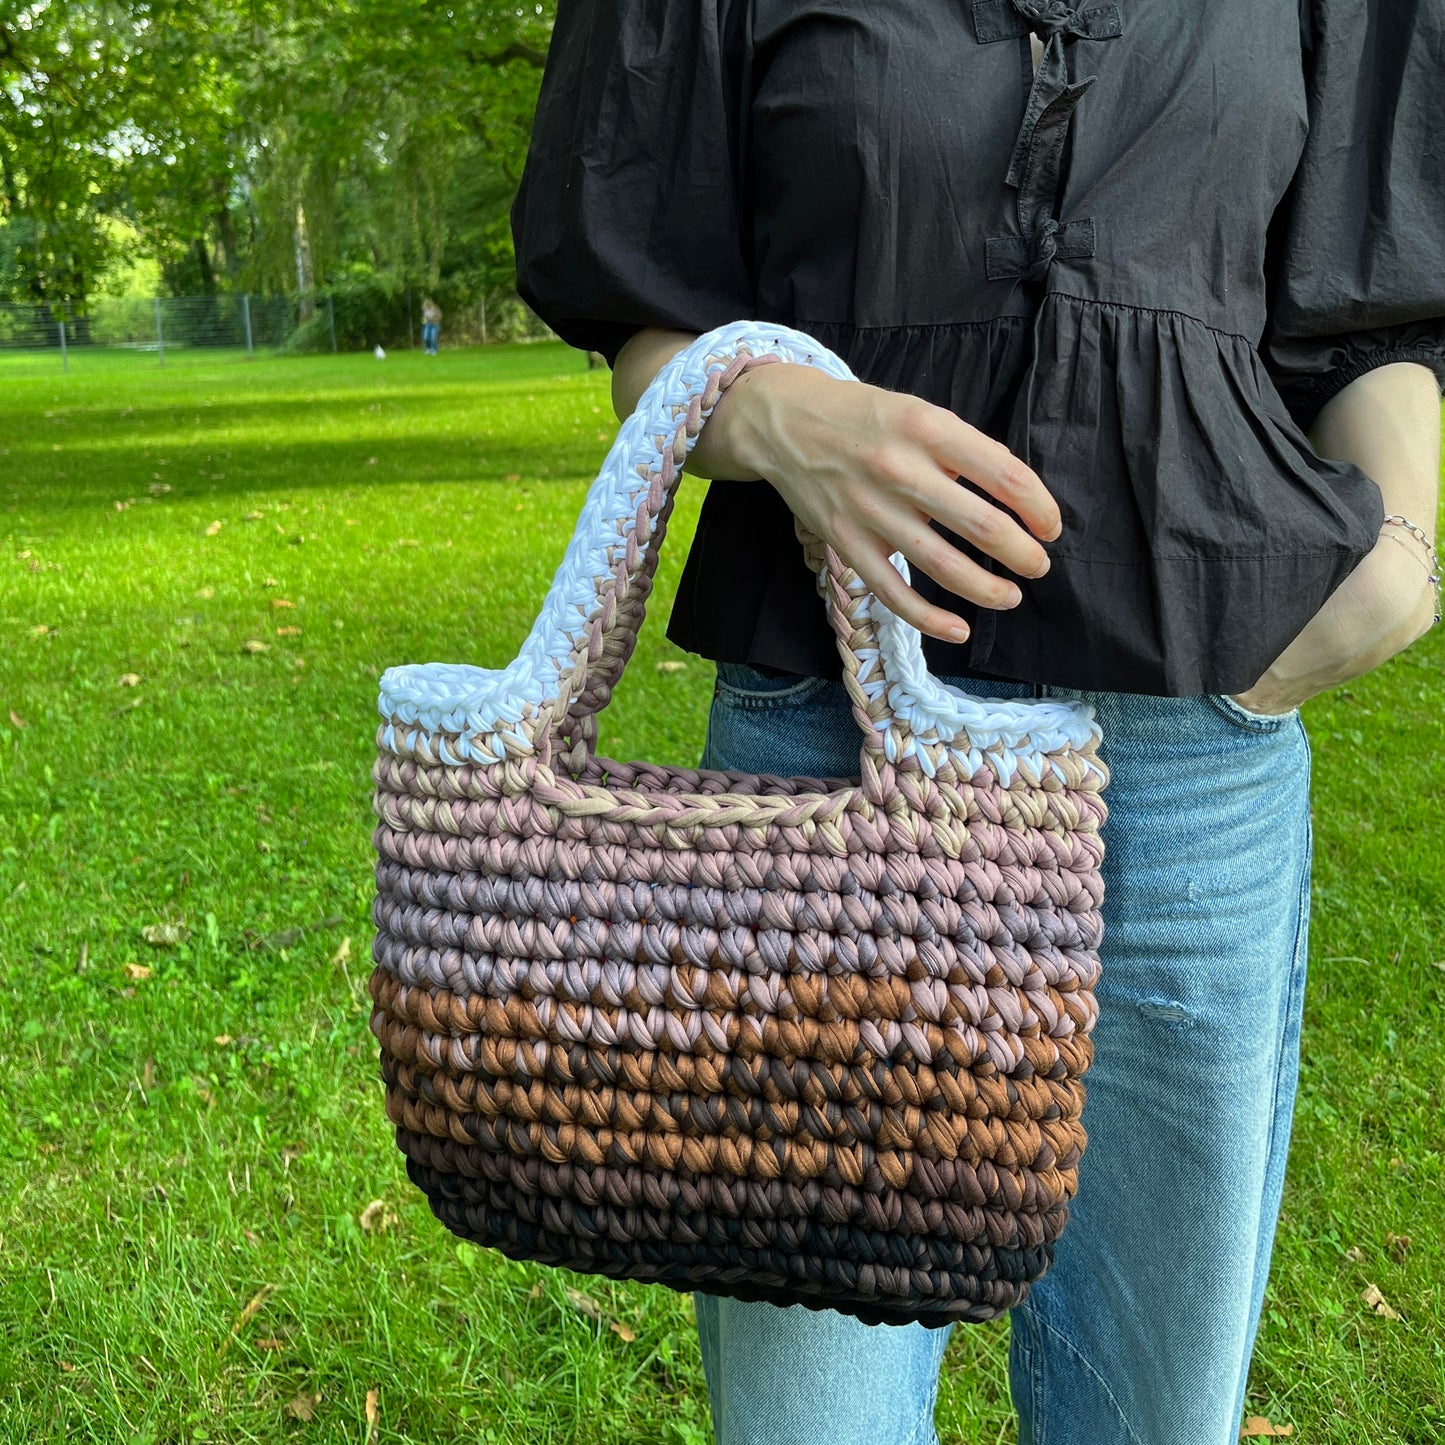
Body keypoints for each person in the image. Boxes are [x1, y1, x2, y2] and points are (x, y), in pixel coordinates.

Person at [510, 3, 1444, 1442]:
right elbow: (647, 326)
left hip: (1193, 750)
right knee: (813, 1421)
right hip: (829, 746)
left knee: (1148, 1413)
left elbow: (1370, 316)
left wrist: (1400, 563)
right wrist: (784, 422)